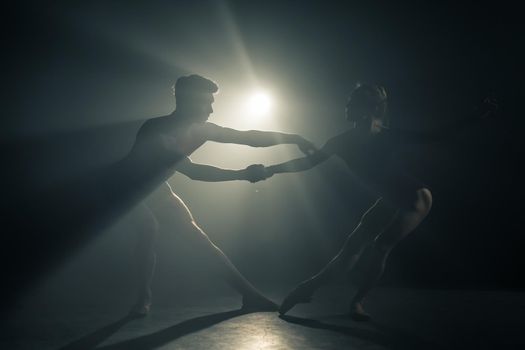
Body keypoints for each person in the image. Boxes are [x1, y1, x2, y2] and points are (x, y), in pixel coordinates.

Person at [264, 84, 496, 320]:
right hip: (390, 199)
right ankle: (307, 288)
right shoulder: (341, 141)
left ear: (368, 109)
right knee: (351, 249)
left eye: (352, 102)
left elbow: (434, 135)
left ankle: (357, 303)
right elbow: (308, 163)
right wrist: (270, 169)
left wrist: (471, 118)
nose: (346, 106)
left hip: (416, 198)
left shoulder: (387, 134)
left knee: (379, 246)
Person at [120, 74, 315, 315]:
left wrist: (292, 138)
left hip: (156, 189)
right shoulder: (156, 130)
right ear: (187, 101)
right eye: (207, 102)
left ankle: (249, 295)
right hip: (124, 188)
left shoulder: (203, 130)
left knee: (199, 240)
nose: (212, 109)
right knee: (149, 228)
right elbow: (193, 171)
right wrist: (244, 174)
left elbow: (247, 137)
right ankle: (143, 300)